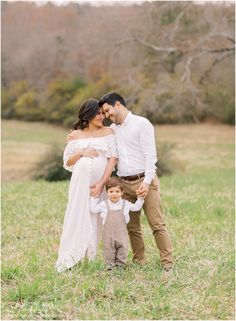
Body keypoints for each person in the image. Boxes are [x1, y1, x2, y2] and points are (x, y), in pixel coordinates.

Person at [68, 92, 173, 272]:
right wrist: (75, 136)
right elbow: (96, 138)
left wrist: (147, 183)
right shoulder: (113, 130)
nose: (106, 116)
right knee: (132, 227)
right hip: (124, 183)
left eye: (107, 111)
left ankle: (167, 264)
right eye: (103, 113)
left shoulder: (142, 124)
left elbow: (151, 156)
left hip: (144, 180)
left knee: (157, 224)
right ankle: (139, 260)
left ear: (118, 105)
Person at [56, 99, 117, 273]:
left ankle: (90, 257)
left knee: (95, 216)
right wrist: (81, 152)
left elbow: (112, 159)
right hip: (79, 183)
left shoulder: (109, 132)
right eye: (98, 113)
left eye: (103, 113)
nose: (102, 116)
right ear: (88, 115)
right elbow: (67, 162)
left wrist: (101, 183)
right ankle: (72, 256)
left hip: (99, 184)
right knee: (77, 213)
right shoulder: (76, 134)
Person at [90, 177, 144, 270]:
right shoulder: (104, 205)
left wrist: (140, 198)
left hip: (122, 235)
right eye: (111, 191)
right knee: (108, 250)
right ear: (107, 193)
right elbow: (93, 209)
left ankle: (120, 266)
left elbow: (136, 208)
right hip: (108, 236)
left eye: (117, 191)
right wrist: (93, 198)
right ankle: (110, 266)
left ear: (122, 192)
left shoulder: (125, 204)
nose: (114, 194)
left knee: (123, 249)